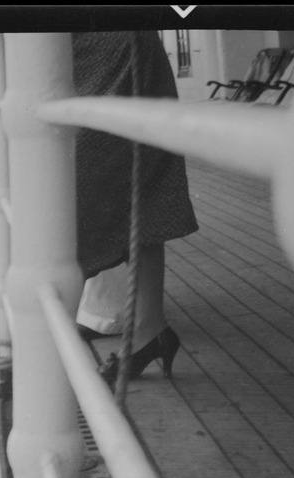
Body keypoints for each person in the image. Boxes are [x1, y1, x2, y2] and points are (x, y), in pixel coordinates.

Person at [72, 31, 200, 380]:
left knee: (88, 189)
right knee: (138, 193)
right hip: (95, 51)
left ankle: (49, 336)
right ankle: (149, 330)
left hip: (116, 50)